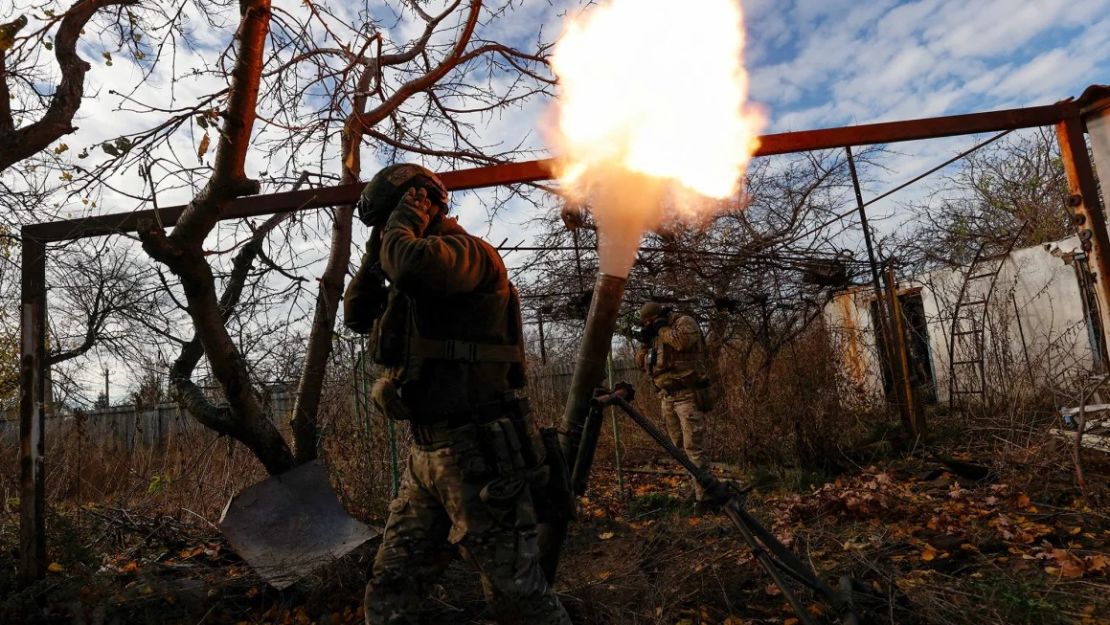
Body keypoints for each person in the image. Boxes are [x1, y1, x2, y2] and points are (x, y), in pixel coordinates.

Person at [344, 164, 571, 625]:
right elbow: (355, 314)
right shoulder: (406, 271)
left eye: (393, 219)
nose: (389, 232)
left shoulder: (466, 254)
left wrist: (404, 225)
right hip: (426, 455)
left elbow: (412, 266)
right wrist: (373, 256)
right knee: (392, 586)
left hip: (478, 452)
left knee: (517, 598)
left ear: (421, 204)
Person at [635, 302, 715, 511]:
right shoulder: (653, 335)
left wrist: (661, 328)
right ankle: (695, 490)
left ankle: (705, 497)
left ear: (659, 316)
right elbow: (640, 362)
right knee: (678, 447)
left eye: (650, 321)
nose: (648, 325)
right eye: (646, 323)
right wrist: (645, 343)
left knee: (693, 446)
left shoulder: (683, 323)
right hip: (666, 397)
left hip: (687, 395)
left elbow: (682, 343)